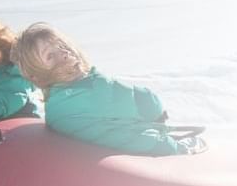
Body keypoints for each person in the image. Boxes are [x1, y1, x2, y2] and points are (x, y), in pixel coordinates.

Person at [11, 22, 200, 155]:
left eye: (61, 46)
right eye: (50, 55)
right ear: (38, 74)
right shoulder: (73, 105)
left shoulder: (79, 88)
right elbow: (121, 134)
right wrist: (172, 147)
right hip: (154, 149)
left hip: (150, 133)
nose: (63, 53)